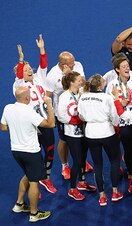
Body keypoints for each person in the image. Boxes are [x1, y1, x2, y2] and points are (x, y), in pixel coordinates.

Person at [1, 87, 55, 222]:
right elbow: (51, 124)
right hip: (31, 152)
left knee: (28, 175)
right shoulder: (29, 112)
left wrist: (16, 127)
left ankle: (19, 204)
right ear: (26, 98)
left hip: (16, 151)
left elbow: (2, 127)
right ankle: (34, 213)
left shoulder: (8, 108)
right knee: (34, 182)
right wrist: (49, 105)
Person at [12, 35, 57, 194]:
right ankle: (34, 182)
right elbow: (18, 75)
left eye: (30, 68)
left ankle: (46, 178)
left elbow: (43, 65)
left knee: (50, 149)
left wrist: (42, 49)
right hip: (30, 125)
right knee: (35, 154)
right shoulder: (19, 85)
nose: (30, 70)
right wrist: (21, 60)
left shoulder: (39, 79)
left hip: (45, 120)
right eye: (26, 69)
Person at [46, 51, 92, 180]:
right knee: (64, 140)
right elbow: (47, 96)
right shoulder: (52, 75)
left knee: (83, 137)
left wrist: (70, 74)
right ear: (63, 65)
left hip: (79, 108)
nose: (74, 65)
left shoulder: (77, 65)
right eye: (71, 65)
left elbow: (83, 83)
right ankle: (64, 165)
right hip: (63, 113)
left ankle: (81, 161)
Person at [78, 74, 123, 206]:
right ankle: (115, 192)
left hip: (91, 134)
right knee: (115, 161)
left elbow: (81, 116)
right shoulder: (107, 98)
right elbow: (115, 118)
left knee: (98, 165)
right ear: (99, 86)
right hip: (107, 133)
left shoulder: (83, 97)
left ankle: (102, 196)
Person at [106, 54, 132, 194]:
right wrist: (118, 103)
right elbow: (108, 104)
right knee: (128, 152)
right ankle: (131, 177)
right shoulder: (112, 85)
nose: (127, 68)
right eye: (123, 67)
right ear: (117, 70)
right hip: (123, 123)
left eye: (127, 66)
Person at [57, 72, 96, 201]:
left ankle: (82, 182)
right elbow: (61, 115)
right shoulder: (64, 97)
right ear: (72, 82)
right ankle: (72, 189)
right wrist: (76, 120)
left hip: (84, 131)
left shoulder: (81, 93)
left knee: (83, 158)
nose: (81, 82)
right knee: (77, 161)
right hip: (72, 134)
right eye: (79, 80)